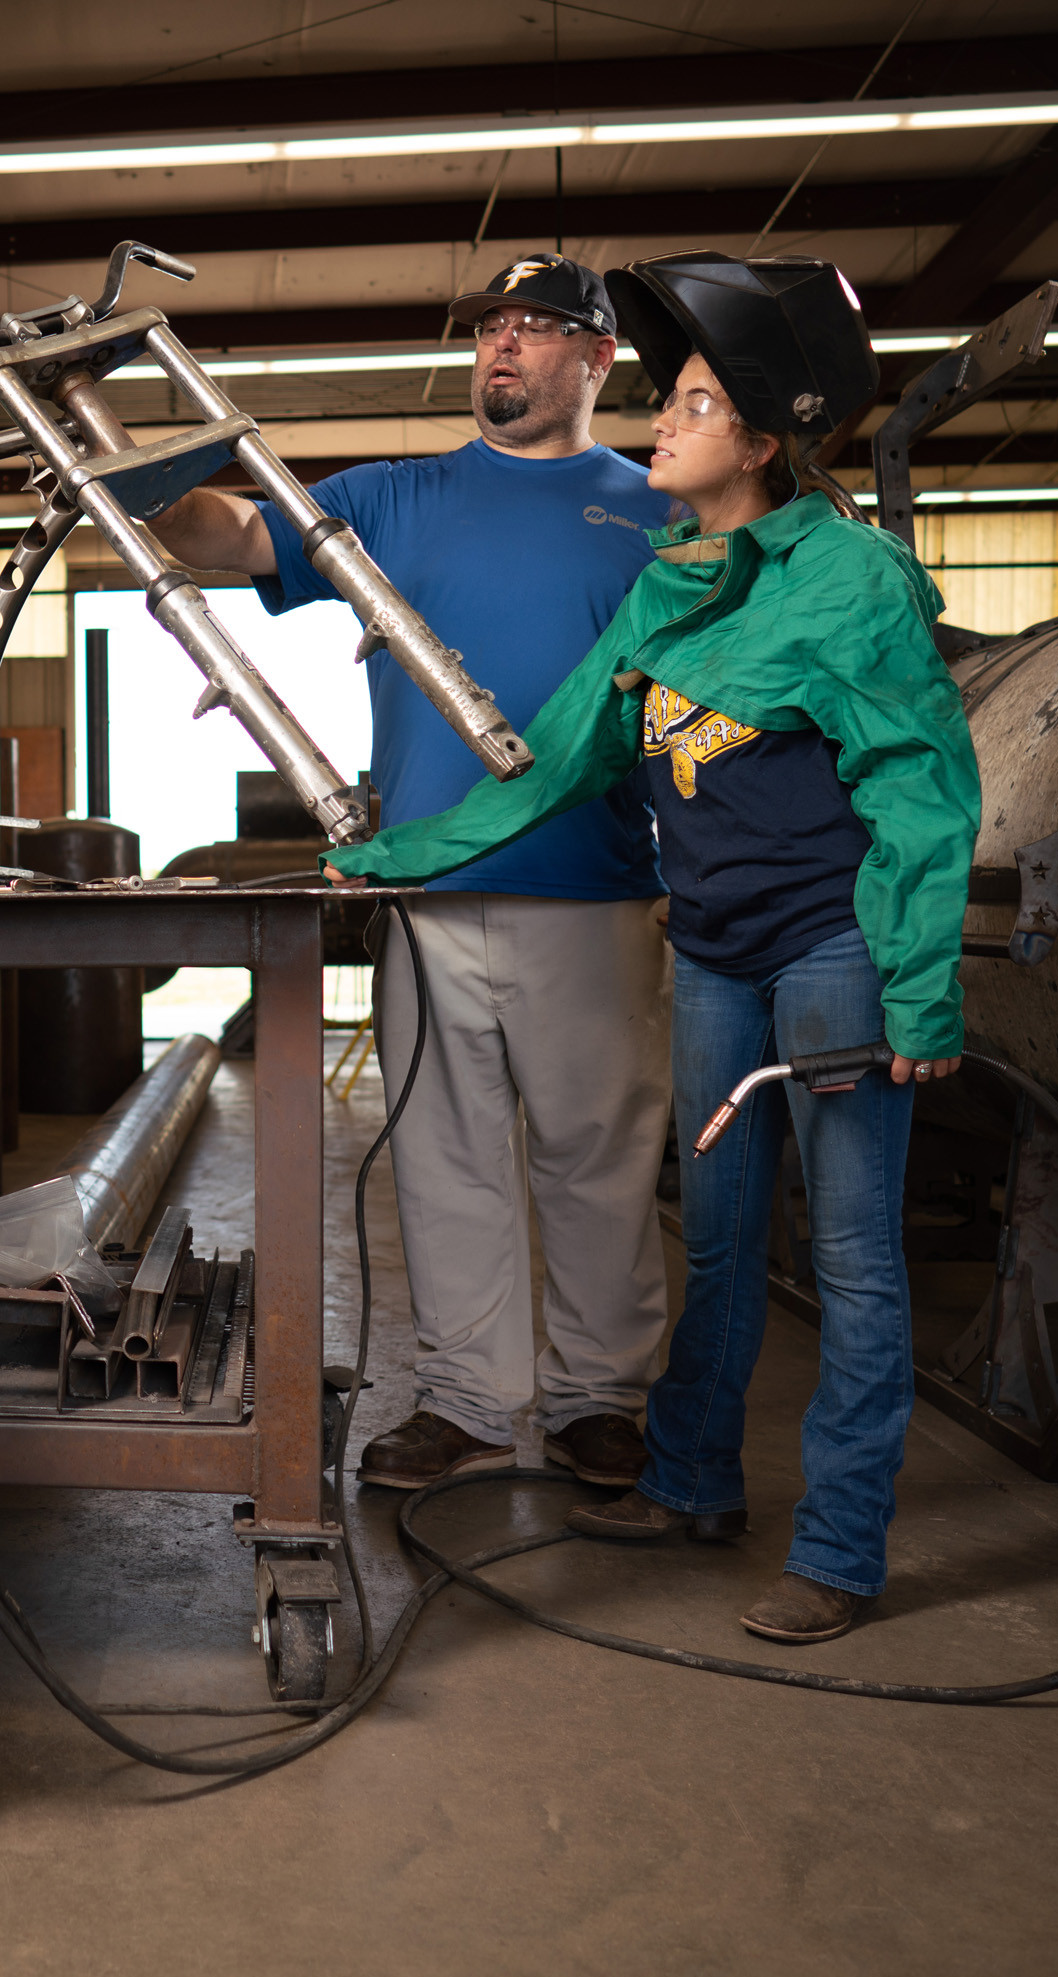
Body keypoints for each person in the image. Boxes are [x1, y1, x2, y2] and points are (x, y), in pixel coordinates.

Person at [323, 251, 981, 1645]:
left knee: (853, 1262)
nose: (663, 427)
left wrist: (919, 994)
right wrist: (389, 854)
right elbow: (558, 759)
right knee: (727, 1239)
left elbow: (926, 788)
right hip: (721, 954)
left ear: (755, 440)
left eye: (689, 404)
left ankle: (842, 1549)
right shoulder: (676, 581)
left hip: (831, 949)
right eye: (667, 397)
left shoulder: (852, 581)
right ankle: (690, 1482)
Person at [150, 252, 672, 1496]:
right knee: (446, 1157)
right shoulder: (393, 496)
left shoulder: (658, 508)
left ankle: (604, 1398)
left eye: (538, 328)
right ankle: (470, 1403)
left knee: (598, 1159)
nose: (504, 346)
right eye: (492, 327)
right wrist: (135, 471)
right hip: (427, 899)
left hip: (595, 886)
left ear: (598, 358)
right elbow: (227, 535)